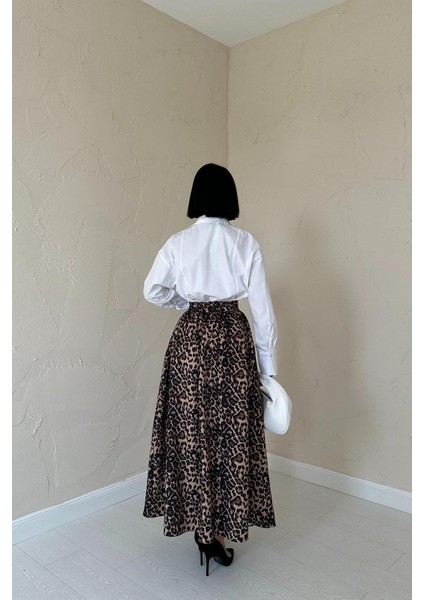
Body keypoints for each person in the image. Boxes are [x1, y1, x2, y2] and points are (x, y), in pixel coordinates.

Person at [142, 163, 278, 576]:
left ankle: (199, 528)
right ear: (230, 198)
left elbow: (152, 289)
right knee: (230, 435)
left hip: (189, 342)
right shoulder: (245, 242)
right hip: (233, 340)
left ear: (196, 197)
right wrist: (268, 372)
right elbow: (263, 314)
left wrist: (186, 303)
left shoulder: (178, 242)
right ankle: (219, 530)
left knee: (191, 433)